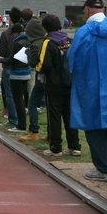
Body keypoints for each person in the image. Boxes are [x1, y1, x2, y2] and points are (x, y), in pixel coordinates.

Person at [68, 0, 107, 181]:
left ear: (88, 10)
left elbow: (73, 60)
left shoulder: (83, 33)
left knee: (93, 126)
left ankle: (102, 168)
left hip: (90, 88)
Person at [36, 14, 81, 157]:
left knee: (54, 116)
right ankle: (74, 146)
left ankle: (56, 147)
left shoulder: (48, 42)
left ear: (45, 28)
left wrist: (36, 67)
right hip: (70, 82)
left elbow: (44, 65)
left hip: (54, 84)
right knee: (69, 115)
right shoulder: (69, 40)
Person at [0, 23, 31, 133]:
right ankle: (20, 122)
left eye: (14, 34)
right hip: (27, 72)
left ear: (16, 33)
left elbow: (12, 59)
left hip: (17, 73)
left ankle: (17, 122)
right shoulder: (29, 41)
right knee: (21, 98)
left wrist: (0, 60)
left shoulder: (17, 43)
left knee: (16, 99)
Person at [19, 17, 46, 142]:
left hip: (42, 77)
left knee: (32, 104)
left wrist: (28, 53)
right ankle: (53, 134)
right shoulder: (48, 40)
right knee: (54, 108)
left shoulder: (36, 45)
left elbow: (33, 63)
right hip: (57, 78)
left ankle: (33, 131)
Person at [0, 7, 21, 127]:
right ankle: (20, 119)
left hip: (8, 66)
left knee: (9, 93)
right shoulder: (24, 33)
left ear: (9, 18)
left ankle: (13, 119)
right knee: (20, 94)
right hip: (22, 66)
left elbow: (2, 52)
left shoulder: (6, 34)